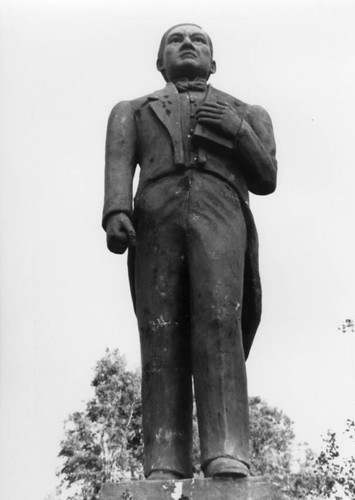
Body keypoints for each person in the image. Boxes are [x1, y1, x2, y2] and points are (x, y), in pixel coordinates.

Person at [102, 23, 277, 480]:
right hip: (155, 214)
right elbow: (120, 162)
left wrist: (236, 131)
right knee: (161, 331)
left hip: (220, 213)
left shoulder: (245, 111)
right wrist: (116, 211)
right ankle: (164, 459)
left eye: (198, 41)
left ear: (213, 62)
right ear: (161, 61)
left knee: (220, 323)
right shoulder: (132, 111)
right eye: (175, 41)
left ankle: (227, 451)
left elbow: (267, 178)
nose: (187, 45)